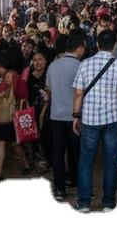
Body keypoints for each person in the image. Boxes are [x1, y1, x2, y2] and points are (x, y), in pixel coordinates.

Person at [72, 29, 117, 212]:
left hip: (89, 119)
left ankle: (84, 202)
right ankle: (108, 202)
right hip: (113, 119)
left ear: (97, 44)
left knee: (86, 161)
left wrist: (76, 116)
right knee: (110, 161)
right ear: (114, 46)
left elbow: (78, 93)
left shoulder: (85, 64)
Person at [45, 32, 86, 200]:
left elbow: (49, 89)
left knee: (58, 153)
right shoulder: (81, 66)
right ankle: (78, 185)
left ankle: (59, 188)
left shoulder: (53, 66)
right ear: (79, 48)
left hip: (56, 116)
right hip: (76, 116)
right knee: (77, 152)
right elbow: (82, 92)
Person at [0, 50, 32, 182]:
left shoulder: (9, 78)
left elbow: (13, 95)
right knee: (11, 143)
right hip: (9, 115)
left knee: (8, 143)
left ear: (2, 65)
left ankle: (2, 172)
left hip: (8, 115)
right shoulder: (9, 77)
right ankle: (2, 171)